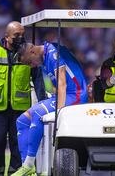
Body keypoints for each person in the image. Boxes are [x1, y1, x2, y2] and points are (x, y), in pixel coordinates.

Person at [0, 21, 46, 175]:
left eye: (23, 34)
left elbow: (38, 79)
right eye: (17, 35)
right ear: (7, 36)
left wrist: (42, 104)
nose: (21, 38)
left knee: (18, 144)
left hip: (20, 109)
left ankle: (14, 173)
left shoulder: (28, 51)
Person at [12, 42, 88, 175]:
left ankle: (29, 165)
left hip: (75, 95)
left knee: (37, 113)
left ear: (33, 52)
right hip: (62, 94)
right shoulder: (45, 57)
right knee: (22, 120)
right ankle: (27, 168)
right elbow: (56, 86)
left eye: (29, 63)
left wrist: (59, 112)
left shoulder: (53, 54)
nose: (31, 66)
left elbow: (62, 84)